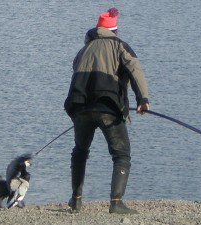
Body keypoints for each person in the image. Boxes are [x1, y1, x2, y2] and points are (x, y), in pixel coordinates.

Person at [64, 7, 149, 214]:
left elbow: (75, 72)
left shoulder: (83, 50)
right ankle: (116, 203)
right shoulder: (120, 46)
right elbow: (135, 70)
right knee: (121, 154)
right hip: (108, 107)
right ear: (115, 31)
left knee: (80, 152)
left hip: (80, 107)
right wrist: (142, 99)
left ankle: (76, 200)